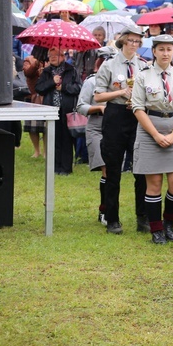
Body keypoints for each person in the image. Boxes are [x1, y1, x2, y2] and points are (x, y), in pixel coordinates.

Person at [131, 34, 173, 244]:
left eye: (169, 49)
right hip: (150, 131)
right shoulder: (143, 75)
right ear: (154, 51)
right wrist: (156, 135)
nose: (166, 53)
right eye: (162, 49)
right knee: (154, 183)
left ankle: (168, 223)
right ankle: (156, 229)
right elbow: (137, 108)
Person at [94, 27, 148, 234]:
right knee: (113, 170)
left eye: (138, 41)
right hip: (115, 115)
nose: (134, 44)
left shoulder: (143, 66)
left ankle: (142, 217)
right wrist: (121, 92)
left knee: (141, 170)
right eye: (131, 40)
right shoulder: (108, 65)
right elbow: (98, 96)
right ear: (123, 41)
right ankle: (112, 218)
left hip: (136, 115)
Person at [77, 47, 115, 225]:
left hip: (116, 129)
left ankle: (110, 209)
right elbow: (81, 106)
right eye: (105, 60)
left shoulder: (122, 83)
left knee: (113, 171)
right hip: (97, 128)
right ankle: (105, 210)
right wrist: (98, 108)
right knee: (106, 168)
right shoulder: (91, 82)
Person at [35, 47, 83, 175]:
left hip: (67, 109)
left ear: (62, 56)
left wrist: (64, 87)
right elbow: (39, 88)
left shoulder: (71, 70)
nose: (52, 58)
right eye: (50, 56)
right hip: (51, 109)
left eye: (55, 56)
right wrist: (52, 82)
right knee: (53, 138)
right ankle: (55, 167)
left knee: (67, 139)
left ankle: (66, 168)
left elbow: (78, 87)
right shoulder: (46, 71)